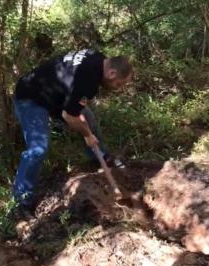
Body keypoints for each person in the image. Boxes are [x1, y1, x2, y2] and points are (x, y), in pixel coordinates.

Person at [11, 49, 133, 219]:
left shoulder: (99, 58)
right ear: (112, 73)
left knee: (87, 117)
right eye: (118, 84)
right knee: (38, 149)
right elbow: (69, 115)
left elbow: (74, 100)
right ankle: (21, 201)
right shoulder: (89, 79)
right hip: (31, 98)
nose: (117, 88)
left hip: (54, 94)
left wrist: (84, 126)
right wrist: (87, 135)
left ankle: (99, 156)